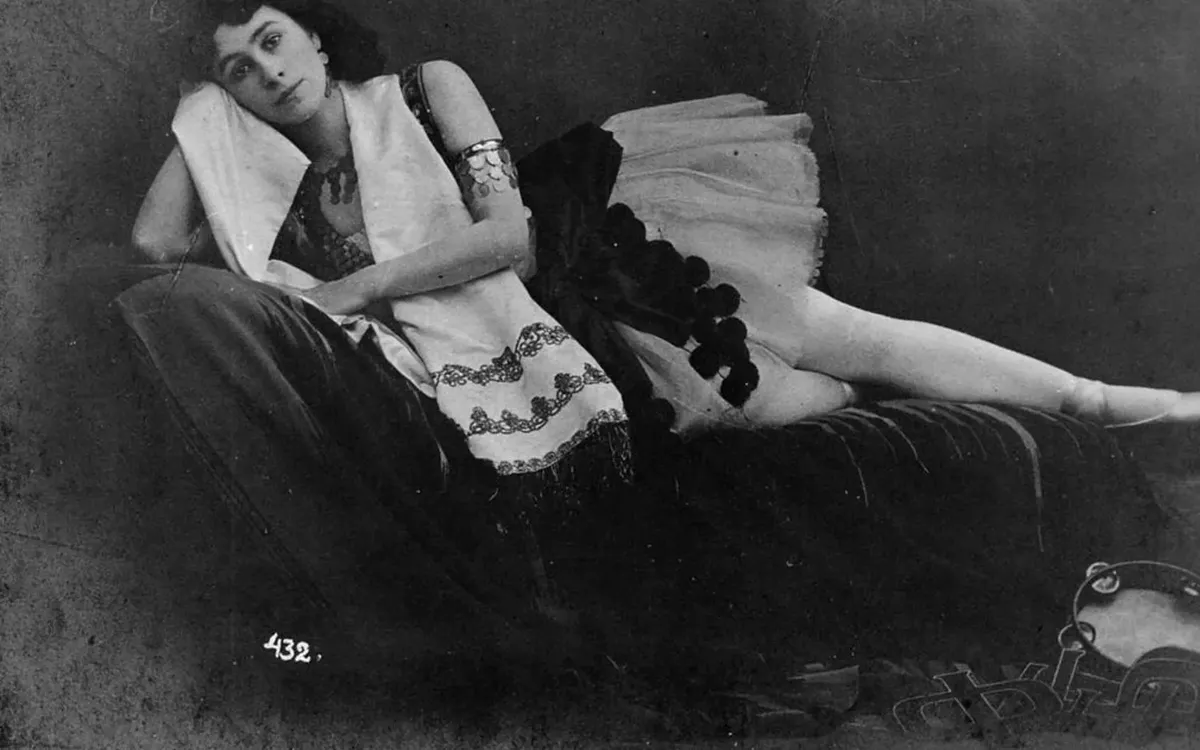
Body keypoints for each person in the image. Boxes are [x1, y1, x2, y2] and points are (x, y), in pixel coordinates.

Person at [119, 0, 1188, 691]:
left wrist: (358, 283)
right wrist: (197, 119)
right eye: (237, 72)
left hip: (593, 264)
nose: (266, 73)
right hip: (526, 355)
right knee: (812, 402)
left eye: (272, 40)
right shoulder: (281, 199)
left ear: (315, 36)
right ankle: (1043, 419)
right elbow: (155, 244)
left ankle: (1104, 400)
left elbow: (507, 236)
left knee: (843, 335)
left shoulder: (423, 89)